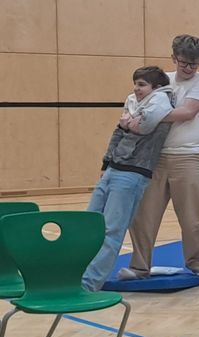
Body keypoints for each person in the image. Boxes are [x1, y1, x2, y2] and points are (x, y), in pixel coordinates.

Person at [122, 34, 199, 281]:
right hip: (156, 157)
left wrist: (148, 118)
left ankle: (197, 263)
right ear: (173, 58)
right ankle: (140, 265)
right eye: (184, 63)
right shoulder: (162, 81)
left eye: (195, 64)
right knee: (143, 214)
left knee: (193, 217)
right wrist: (134, 118)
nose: (189, 68)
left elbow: (187, 112)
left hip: (189, 157)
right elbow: (136, 104)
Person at [81, 66, 175, 291]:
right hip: (113, 168)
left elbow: (144, 126)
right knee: (89, 223)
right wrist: (106, 162)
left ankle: (89, 283)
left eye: (142, 84)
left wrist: (130, 122)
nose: (136, 89)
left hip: (133, 173)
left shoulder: (161, 100)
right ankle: (78, 272)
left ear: (156, 87)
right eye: (135, 83)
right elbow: (118, 132)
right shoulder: (134, 102)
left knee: (112, 230)